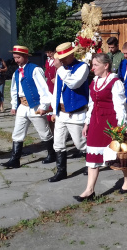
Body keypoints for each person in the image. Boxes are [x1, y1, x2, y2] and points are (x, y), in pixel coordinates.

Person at [74, 53, 127, 202]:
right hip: (96, 122)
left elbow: (120, 106)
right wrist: (87, 123)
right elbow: (91, 104)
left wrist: (122, 126)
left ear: (105, 66)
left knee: (119, 154)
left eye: (95, 65)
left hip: (111, 122)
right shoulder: (94, 82)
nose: (92, 68)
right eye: (92, 65)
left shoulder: (115, 82)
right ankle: (89, 190)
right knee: (93, 156)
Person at [0, 45, 54, 168]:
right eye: (14, 58)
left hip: (35, 105)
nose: (16, 60)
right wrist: (14, 106)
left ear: (25, 56)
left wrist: (44, 106)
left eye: (18, 57)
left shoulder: (35, 70)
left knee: (44, 132)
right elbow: (14, 90)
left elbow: (43, 89)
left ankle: (52, 154)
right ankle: (15, 159)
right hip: (22, 107)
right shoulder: (16, 73)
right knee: (17, 132)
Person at [49, 42, 89, 182]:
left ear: (72, 54)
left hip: (76, 113)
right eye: (60, 58)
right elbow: (57, 91)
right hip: (61, 113)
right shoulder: (62, 69)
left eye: (64, 57)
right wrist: (55, 110)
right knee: (58, 144)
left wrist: (60, 69)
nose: (61, 60)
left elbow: (74, 83)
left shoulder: (82, 67)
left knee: (80, 144)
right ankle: (61, 171)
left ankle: (91, 165)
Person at [43, 42, 57, 136]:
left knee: (55, 111)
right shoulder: (48, 61)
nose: (48, 55)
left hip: (55, 86)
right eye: (47, 53)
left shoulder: (58, 60)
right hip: (48, 86)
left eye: (50, 53)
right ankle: (52, 133)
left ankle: (57, 133)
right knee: (48, 113)